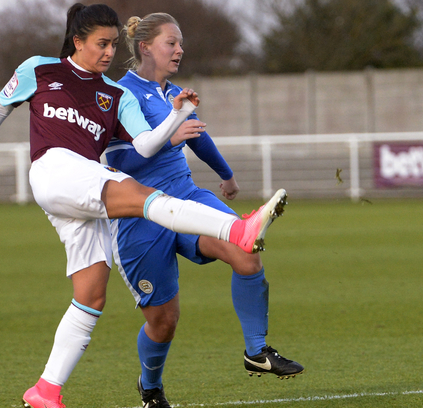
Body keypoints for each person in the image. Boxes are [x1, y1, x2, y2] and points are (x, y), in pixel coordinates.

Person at [0, 4, 288, 408]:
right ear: (78, 42)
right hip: (55, 170)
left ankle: (46, 390)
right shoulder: (40, 69)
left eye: (113, 44)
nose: (109, 52)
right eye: (101, 44)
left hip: (80, 193)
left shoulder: (116, 95)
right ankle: (236, 229)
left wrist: (177, 114)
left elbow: (146, 144)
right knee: (144, 197)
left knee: (91, 295)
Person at [103, 13, 304, 408]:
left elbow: (197, 137)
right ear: (145, 47)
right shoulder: (116, 94)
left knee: (245, 252)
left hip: (186, 195)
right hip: (139, 213)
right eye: (171, 43)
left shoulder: (174, 93)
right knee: (164, 322)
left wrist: (226, 176)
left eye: (180, 44)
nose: (179, 50)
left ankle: (257, 352)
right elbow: (119, 156)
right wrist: (170, 136)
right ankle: (151, 387)